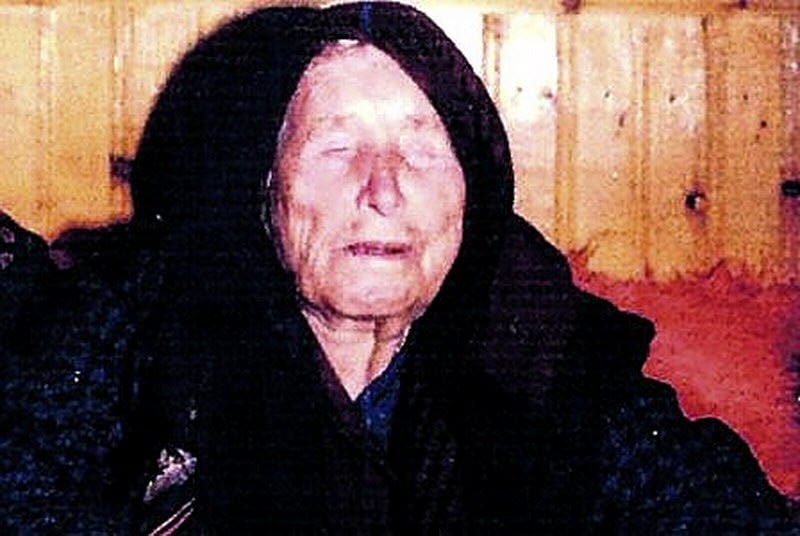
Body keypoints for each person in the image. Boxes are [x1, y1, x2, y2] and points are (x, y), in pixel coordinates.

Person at [1, 2, 798, 533]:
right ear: (264, 188)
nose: (382, 190)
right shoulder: (144, 320)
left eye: (423, 150)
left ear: (473, 193)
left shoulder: (538, 347)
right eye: (336, 147)